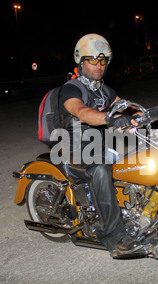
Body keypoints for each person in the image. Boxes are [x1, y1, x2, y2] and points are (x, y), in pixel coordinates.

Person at [57, 34, 147, 257]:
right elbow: (82, 112)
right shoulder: (71, 89)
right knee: (99, 168)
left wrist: (144, 115)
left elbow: (126, 108)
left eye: (102, 61)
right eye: (92, 60)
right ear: (81, 61)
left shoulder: (105, 91)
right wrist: (109, 119)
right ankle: (113, 235)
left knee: (137, 160)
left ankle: (137, 215)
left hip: (97, 147)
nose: (98, 65)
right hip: (72, 150)